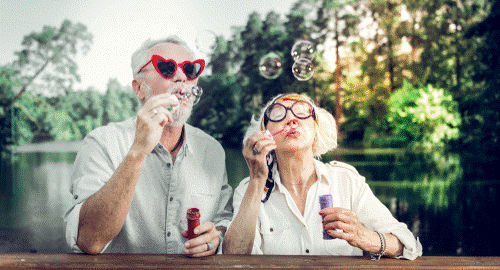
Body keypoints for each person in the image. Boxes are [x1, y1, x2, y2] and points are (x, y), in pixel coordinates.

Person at [64, 36, 233, 256]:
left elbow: (224, 220)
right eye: (167, 68)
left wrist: (215, 237)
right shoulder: (102, 143)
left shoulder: (212, 150)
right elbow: (90, 241)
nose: (181, 77)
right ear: (139, 88)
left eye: (190, 70)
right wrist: (137, 152)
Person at [223, 93, 422, 259]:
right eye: (278, 114)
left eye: (302, 113)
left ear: (317, 128)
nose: (291, 119)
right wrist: (257, 180)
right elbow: (233, 258)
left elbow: (408, 245)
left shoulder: (347, 182)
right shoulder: (249, 189)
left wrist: (366, 237)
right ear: (265, 133)